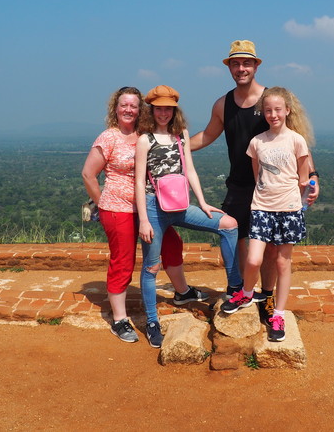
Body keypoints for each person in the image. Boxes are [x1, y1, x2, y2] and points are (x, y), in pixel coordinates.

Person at [189, 40, 319, 319]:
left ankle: (267, 297)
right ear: (229, 67)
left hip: (273, 188)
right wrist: (175, 146)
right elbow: (208, 135)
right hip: (239, 184)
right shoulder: (223, 104)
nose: (241, 68)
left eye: (246, 62)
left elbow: (298, 142)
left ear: (256, 65)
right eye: (235, 63)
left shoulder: (270, 102)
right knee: (236, 237)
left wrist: (313, 175)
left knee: (271, 249)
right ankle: (240, 289)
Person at [82, 86, 207, 344]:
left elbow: (179, 145)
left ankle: (182, 292)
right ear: (115, 109)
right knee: (124, 260)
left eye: (133, 106)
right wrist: (102, 202)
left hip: (149, 207)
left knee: (172, 243)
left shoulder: (144, 135)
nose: (128, 110)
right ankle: (119, 319)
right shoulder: (109, 137)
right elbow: (88, 174)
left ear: (141, 110)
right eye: (124, 105)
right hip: (118, 209)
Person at [135, 85, 241, 348]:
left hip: (180, 205)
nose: (163, 113)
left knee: (228, 224)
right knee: (151, 266)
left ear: (174, 110)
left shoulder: (180, 135)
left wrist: (204, 203)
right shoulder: (144, 140)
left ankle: (235, 289)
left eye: (168, 108)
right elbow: (138, 182)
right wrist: (144, 220)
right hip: (153, 207)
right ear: (152, 110)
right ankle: (152, 322)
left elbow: (190, 171)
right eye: (159, 108)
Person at [221, 87, 316, 342]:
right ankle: (247, 293)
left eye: (277, 110)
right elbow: (257, 175)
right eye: (268, 110)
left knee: (283, 263)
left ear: (287, 110)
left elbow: (303, 177)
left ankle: (279, 314)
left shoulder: (297, 140)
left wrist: (306, 198)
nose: (273, 115)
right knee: (253, 260)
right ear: (262, 113)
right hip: (262, 207)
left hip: (288, 209)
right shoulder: (257, 142)